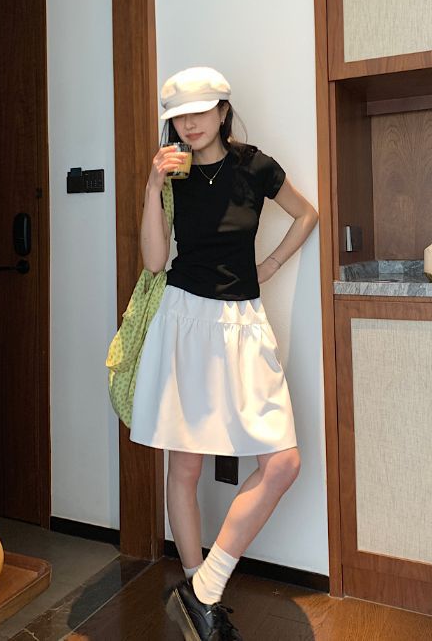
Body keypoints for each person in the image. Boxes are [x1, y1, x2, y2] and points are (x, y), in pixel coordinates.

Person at [129, 66, 318, 640]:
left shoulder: (254, 166)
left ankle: (203, 589)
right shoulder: (173, 174)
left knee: (282, 462)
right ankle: (200, 597)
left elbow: (306, 214)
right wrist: (151, 188)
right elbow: (155, 261)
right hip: (186, 318)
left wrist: (271, 265)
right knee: (185, 465)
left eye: (200, 111)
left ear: (221, 111)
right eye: (179, 116)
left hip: (242, 321)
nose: (189, 124)